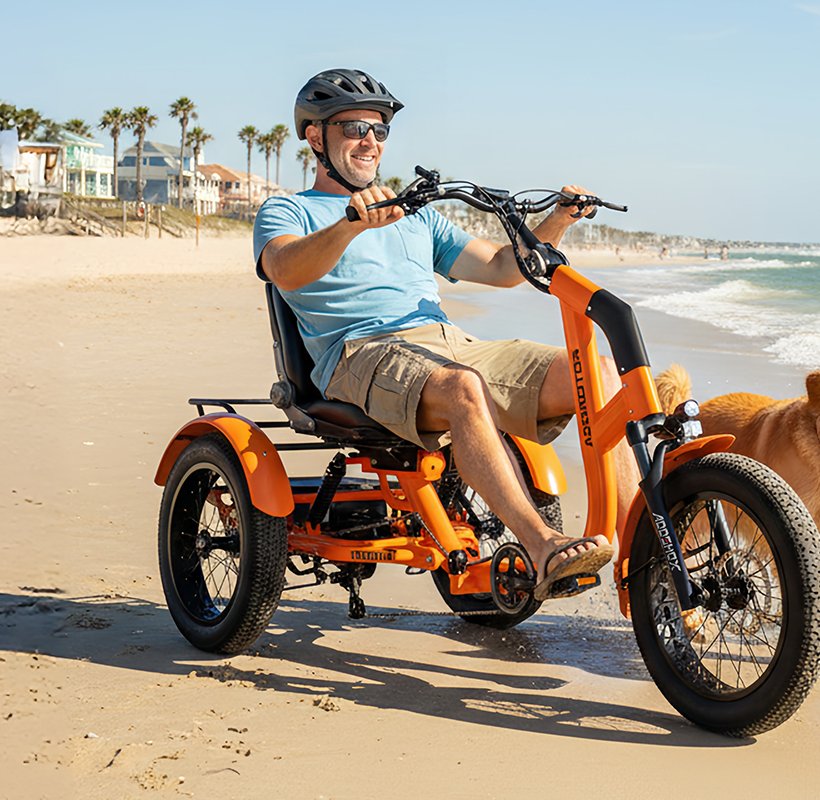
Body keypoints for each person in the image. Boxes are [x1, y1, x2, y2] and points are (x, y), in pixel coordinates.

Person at [253, 69, 633, 600]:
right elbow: (284, 269)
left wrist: (557, 221)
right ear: (316, 137)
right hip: (359, 354)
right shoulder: (288, 210)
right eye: (354, 128)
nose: (370, 141)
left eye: (379, 130)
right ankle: (543, 545)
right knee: (462, 387)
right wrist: (350, 225)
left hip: (447, 344)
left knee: (596, 373)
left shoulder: (416, 219)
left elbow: (501, 267)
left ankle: (637, 552)